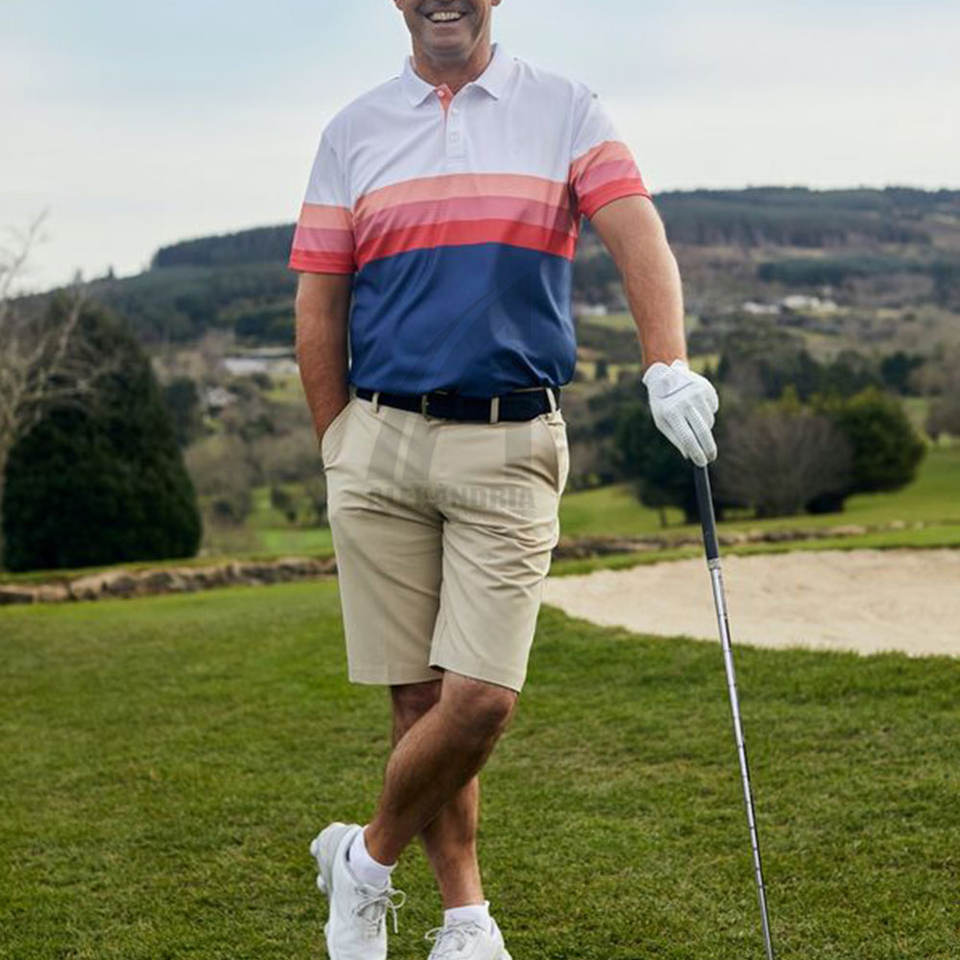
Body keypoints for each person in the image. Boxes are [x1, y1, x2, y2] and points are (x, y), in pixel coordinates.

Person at [289, 2, 719, 957]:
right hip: (380, 440)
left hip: (510, 437)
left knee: (479, 698)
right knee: (417, 701)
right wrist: (338, 444)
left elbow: (635, 230)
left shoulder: (565, 106)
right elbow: (320, 298)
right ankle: (465, 923)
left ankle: (361, 861)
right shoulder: (352, 131)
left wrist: (666, 362)